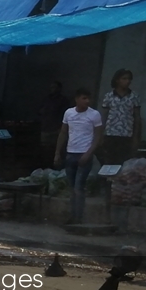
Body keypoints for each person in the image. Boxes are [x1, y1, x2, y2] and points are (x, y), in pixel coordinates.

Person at [55, 88, 104, 225]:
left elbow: (98, 137)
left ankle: (78, 218)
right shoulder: (69, 113)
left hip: (84, 154)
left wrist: (88, 154)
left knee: (79, 187)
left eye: (88, 98)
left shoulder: (94, 115)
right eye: (84, 98)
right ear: (77, 99)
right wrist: (57, 152)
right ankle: (72, 216)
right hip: (70, 153)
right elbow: (63, 133)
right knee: (71, 188)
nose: (87, 101)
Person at [99, 69, 141, 166]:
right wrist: (100, 135)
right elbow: (104, 116)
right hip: (110, 134)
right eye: (124, 78)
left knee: (123, 163)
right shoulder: (109, 96)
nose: (127, 81)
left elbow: (137, 118)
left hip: (127, 135)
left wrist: (136, 137)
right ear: (117, 80)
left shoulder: (134, 96)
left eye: (129, 79)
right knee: (109, 162)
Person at [38, 81, 72, 167]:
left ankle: (56, 167)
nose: (52, 89)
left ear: (59, 88)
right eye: (51, 87)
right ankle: (45, 166)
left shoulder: (63, 100)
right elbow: (39, 111)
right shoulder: (46, 99)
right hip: (45, 127)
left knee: (57, 149)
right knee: (45, 149)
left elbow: (66, 115)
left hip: (57, 129)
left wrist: (61, 128)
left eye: (55, 87)